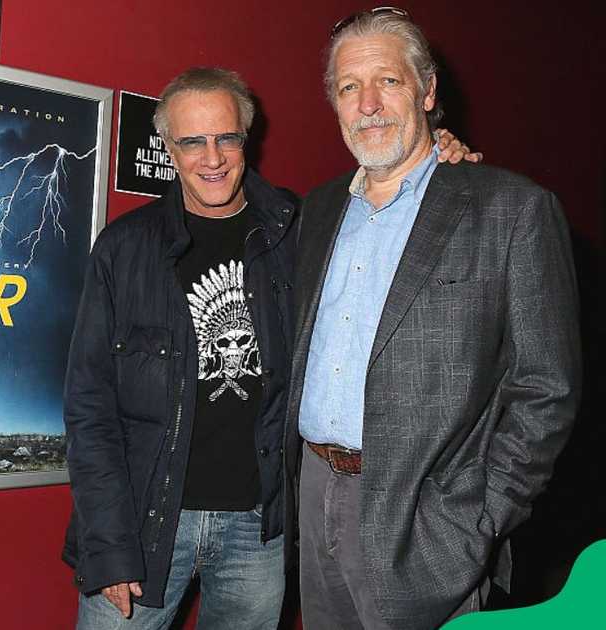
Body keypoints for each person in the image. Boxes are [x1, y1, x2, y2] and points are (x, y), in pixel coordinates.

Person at [61, 66, 474, 630]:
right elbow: (89, 408)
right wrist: (107, 544)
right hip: (146, 522)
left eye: (226, 137)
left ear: (245, 139)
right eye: (192, 142)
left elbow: (390, 213)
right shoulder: (123, 249)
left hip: (259, 529)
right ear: (169, 149)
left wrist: (436, 154)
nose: (213, 158)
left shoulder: (299, 230)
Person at [284, 8, 581, 629]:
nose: (367, 103)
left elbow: (546, 390)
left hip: (427, 517)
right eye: (348, 87)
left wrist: (477, 522)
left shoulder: (511, 211)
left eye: (388, 81)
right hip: (314, 494)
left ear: (427, 90)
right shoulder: (314, 213)